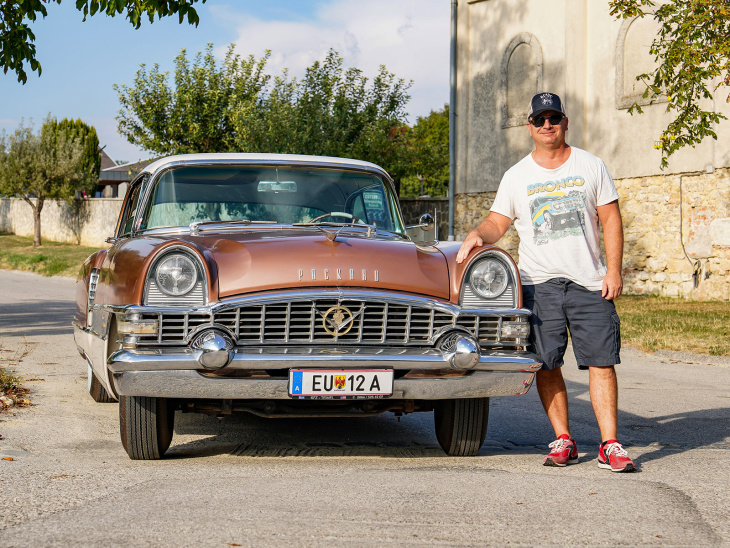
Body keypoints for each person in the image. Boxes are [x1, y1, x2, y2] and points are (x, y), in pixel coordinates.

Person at [456, 92, 635, 472]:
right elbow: (497, 222)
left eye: (554, 118)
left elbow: (611, 219)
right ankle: (563, 439)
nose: (547, 125)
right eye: (540, 120)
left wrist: (614, 270)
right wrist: (478, 234)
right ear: (530, 128)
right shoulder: (517, 175)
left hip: (589, 283)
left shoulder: (591, 166)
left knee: (602, 362)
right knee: (547, 364)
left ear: (565, 123)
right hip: (539, 284)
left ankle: (610, 445)